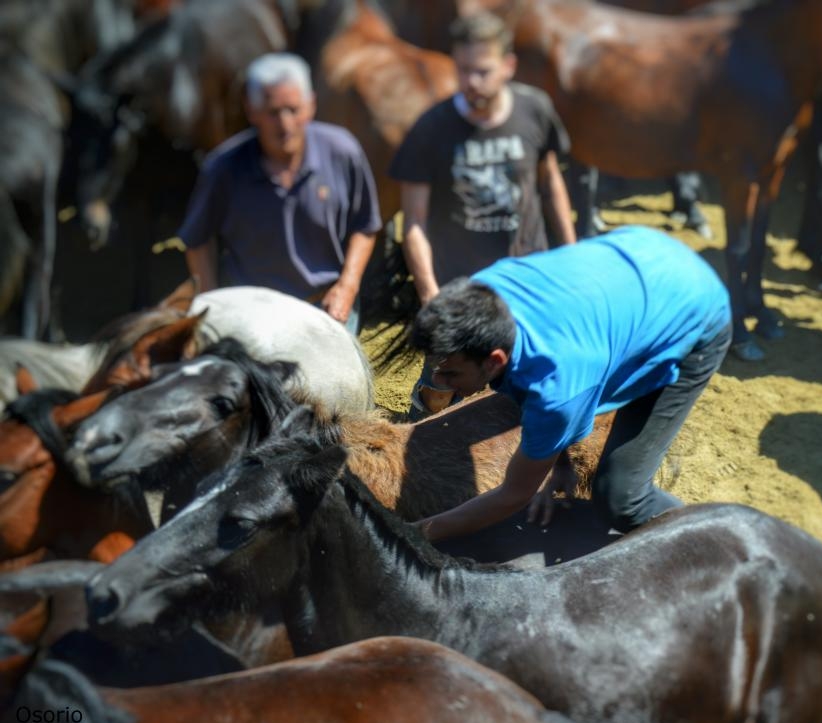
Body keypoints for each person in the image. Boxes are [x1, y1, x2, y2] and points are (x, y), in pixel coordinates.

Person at [410, 225, 730, 541]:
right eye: (434, 368)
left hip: (697, 307)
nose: (438, 382)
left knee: (621, 497)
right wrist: (559, 463)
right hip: (642, 251)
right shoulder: (481, 294)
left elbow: (513, 495)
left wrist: (410, 535)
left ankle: (716, 542)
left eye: (451, 374)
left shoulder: (557, 387)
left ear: (495, 360)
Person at [388, 11, 576, 417]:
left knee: (528, 388)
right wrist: (430, 297)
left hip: (528, 285)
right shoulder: (431, 129)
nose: (471, 82)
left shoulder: (535, 111)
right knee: (439, 389)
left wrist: (573, 255)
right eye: (463, 71)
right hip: (460, 294)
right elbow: (414, 224)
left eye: (483, 71)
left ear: (508, 66)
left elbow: (550, 186)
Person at [178, 52, 381, 334]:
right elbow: (197, 240)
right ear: (252, 111)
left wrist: (347, 286)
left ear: (311, 105)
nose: (285, 124)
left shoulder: (342, 151)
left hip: (327, 308)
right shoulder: (223, 168)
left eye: (293, 110)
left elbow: (366, 225)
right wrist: (212, 304)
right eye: (273, 112)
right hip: (252, 315)